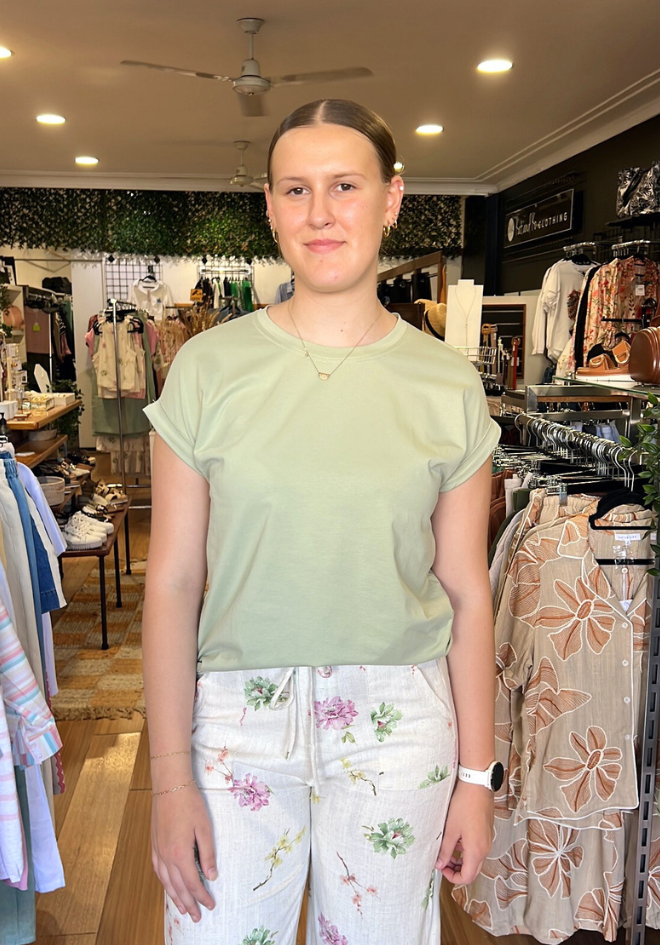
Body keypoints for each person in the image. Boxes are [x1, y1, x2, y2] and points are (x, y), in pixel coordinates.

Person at [142, 98, 501, 945]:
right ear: (270, 206)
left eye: (345, 185)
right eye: (296, 190)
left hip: (399, 719)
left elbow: (466, 590)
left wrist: (476, 777)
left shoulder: (447, 384)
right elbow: (175, 580)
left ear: (391, 197)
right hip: (234, 718)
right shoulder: (206, 369)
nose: (320, 213)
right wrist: (168, 779)